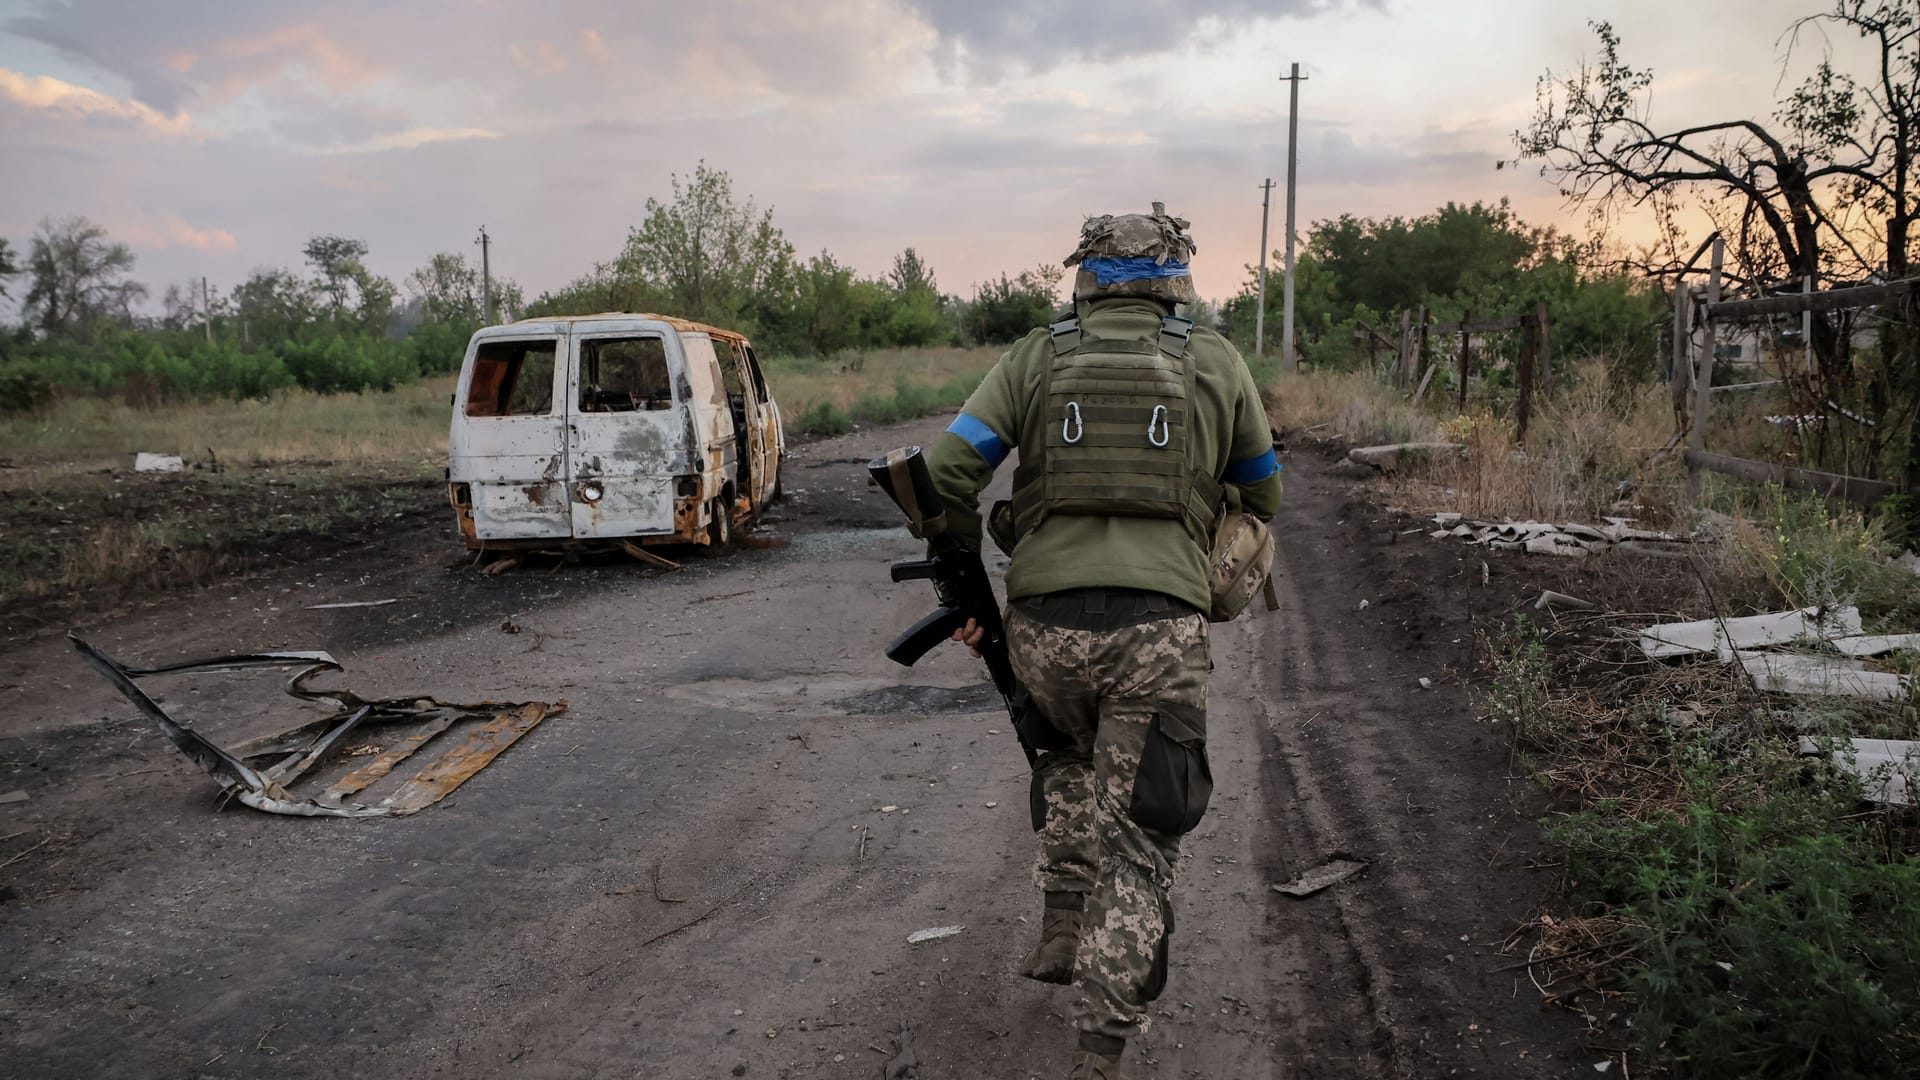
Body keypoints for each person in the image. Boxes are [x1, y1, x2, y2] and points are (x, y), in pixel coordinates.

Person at [925, 204, 1283, 1078]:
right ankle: (1100, 1051)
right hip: (1156, 635)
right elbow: (1264, 497)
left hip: (1044, 629)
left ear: (1084, 277)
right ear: (1176, 280)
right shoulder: (1217, 360)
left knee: (1062, 753)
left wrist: (967, 575)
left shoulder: (1035, 356)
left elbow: (946, 471)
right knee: (1143, 838)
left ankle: (1059, 926)